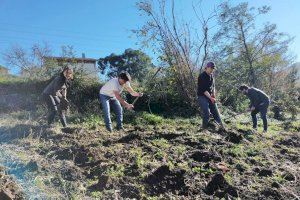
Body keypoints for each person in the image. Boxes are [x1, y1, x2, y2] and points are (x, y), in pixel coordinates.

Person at [197, 62, 224, 129]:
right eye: (211, 68)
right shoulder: (202, 76)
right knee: (206, 111)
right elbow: (204, 90)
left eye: (213, 69)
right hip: (202, 95)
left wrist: (213, 96)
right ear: (207, 67)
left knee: (215, 111)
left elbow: (213, 87)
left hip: (209, 95)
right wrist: (211, 98)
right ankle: (204, 128)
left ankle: (221, 126)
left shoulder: (212, 76)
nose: (212, 70)